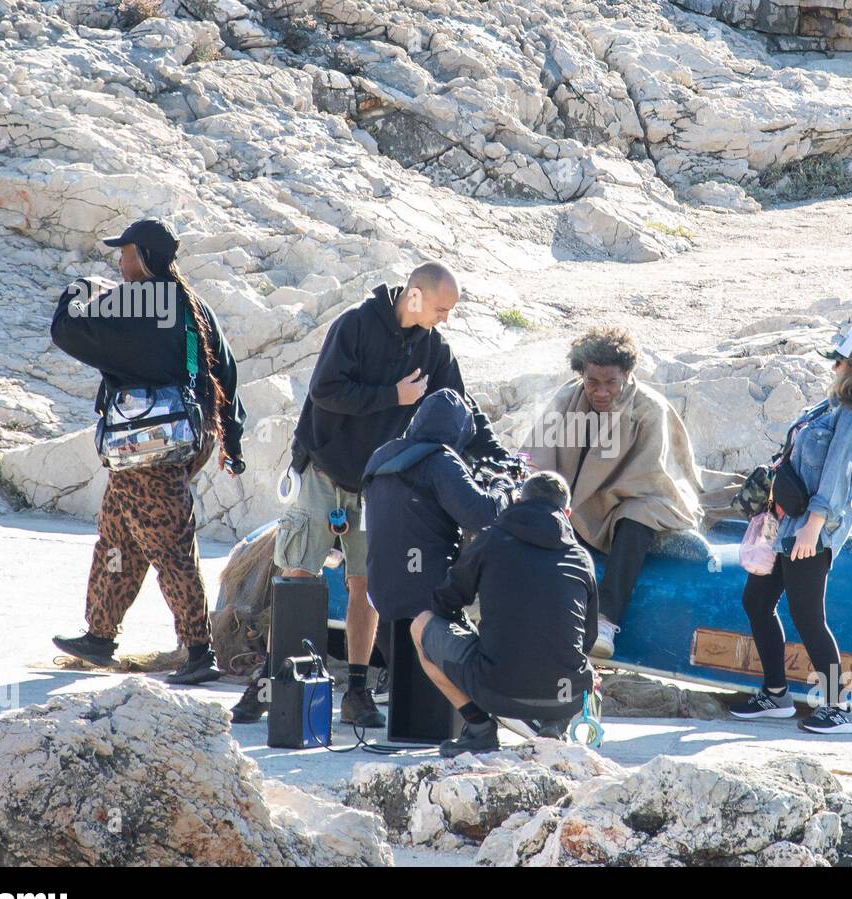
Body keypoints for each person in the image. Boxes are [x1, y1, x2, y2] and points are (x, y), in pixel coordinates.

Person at [239, 262, 514, 727]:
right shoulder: (356, 325)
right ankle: (276, 678)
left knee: (365, 586)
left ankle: (358, 691)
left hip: (377, 484)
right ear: (414, 296)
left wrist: (504, 460)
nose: (445, 318)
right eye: (441, 308)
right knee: (299, 574)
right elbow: (325, 391)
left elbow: (462, 412)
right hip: (325, 468)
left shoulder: (435, 349)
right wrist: (393, 396)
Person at [50, 218, 246, 685]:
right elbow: (227, 373)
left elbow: (67, 331)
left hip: (148, 447)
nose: (119, 262)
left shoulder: (138, 303)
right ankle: (99, 636)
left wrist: (81, 288)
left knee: (170, 546)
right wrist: (231, 442)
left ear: (144, 257)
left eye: (125, 253)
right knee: (118, 537)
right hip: (182, 439)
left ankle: (200, 652)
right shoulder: (191, 302)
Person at [729, 325, 852, 734]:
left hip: (812, 530)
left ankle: (839, 710)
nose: (833, 365)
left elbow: (837, 476)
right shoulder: (833, 405)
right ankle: (775, 695)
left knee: (808, 618)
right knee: (756, 601)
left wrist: (813, 528)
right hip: (786, 523)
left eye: (839, 359)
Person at [523, 326, 702, 659]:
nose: (601, 392)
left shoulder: (649, 409)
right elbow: (538, 455)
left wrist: (597, 501)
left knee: (637, 519)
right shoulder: (566, 399)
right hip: (576, 496)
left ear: (627, 375)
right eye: (593, 383)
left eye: (611, 383)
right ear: (581, 376)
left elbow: (651, 475)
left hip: (635, 497)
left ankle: (606, 621)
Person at [409, 471, 598, 757]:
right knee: (580, 665)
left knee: (420, 625)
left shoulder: (491, 540)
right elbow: (588, 637)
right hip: (567, 694)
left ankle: (479, 729)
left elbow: (445, 600)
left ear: (518, 501)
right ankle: (554, 724)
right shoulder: (581, 557)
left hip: (495, 690)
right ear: (567, 513)